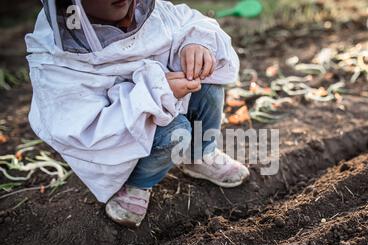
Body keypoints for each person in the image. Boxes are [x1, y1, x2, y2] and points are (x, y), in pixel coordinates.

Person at [25, 0, 250, 227]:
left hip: (172, 100)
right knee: (175, 131)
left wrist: (195, 43)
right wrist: (155, 93)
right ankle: (138, 183)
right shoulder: (57, 63)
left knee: (209, 87)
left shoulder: (145, 10)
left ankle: (199, 154)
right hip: (128, 132)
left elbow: (188, 22)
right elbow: (84, 127)